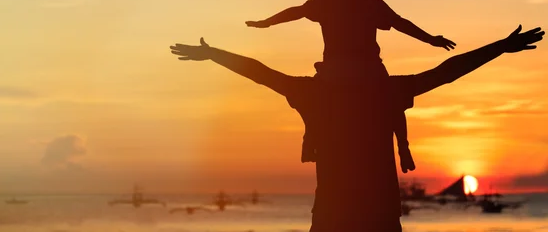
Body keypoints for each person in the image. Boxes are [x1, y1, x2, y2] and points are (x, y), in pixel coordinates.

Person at [170, 25, 543, 231]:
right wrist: (500, 47)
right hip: (374, 216)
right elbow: (446, 72)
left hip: (337, 215)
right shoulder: (385, 90)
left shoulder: (313, 91)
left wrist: (213, 54)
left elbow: (259, 72)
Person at [245, 0, 456, 171]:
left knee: (385, 96)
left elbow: (400, 23)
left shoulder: (369, 3)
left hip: (362, 69)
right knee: (378, 97)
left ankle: (402, 147)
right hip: (342, 69)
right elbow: (296, 12)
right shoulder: (330, 2)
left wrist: (430, 39)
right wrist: (267, 23)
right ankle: (315, 137)